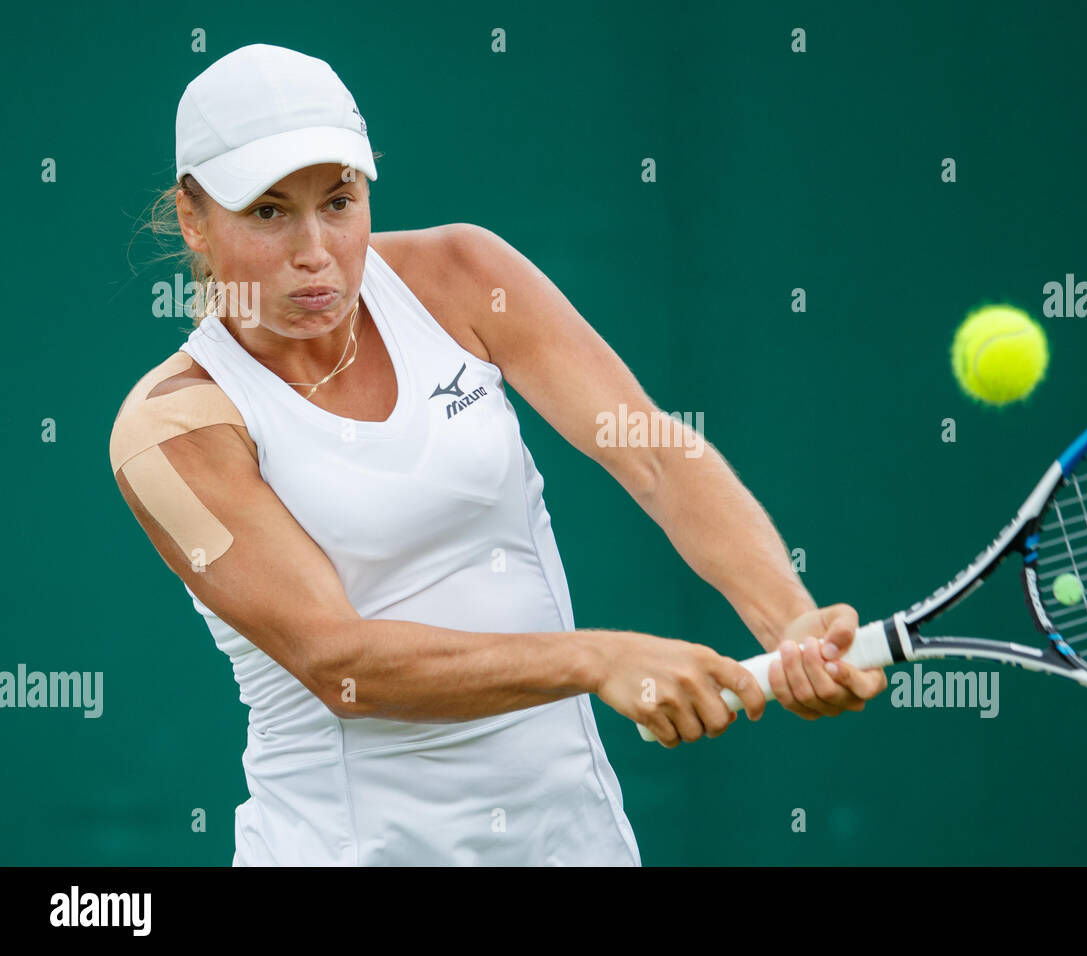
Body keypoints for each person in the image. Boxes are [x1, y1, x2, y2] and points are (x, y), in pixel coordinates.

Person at [109, 43, 887, 866]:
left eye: (339, 202)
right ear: (193, 218)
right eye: (268, 212)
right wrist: (597, 658)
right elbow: (339, 663)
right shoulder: (172, 430)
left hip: (574, 844)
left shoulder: (462, 275)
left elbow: (654, 453)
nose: (315, 251)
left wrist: (789, 622)